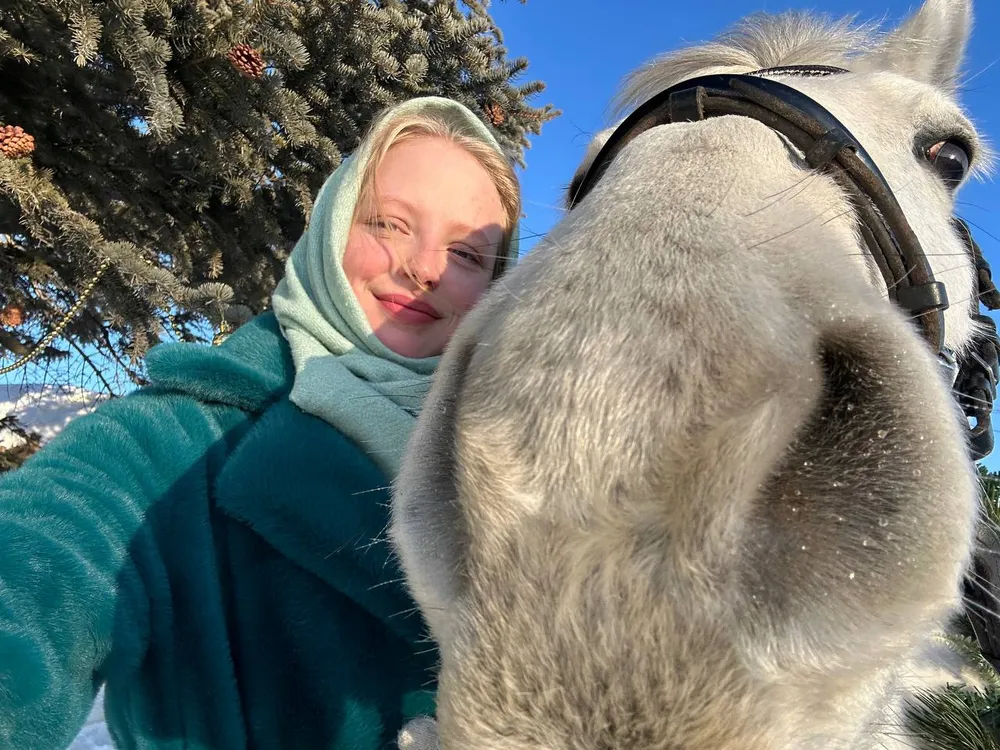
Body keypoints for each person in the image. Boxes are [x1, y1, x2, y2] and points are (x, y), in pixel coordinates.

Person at [0, 96, 521, 749]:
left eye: (468, 255)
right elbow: (44, 563)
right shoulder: (179, 441)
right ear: (332, 227)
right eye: (389, 223)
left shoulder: (524, 470)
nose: (423, 267)